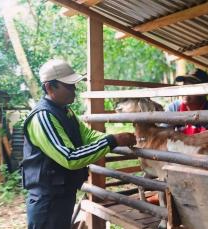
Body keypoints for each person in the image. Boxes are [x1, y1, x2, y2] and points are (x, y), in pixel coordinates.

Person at [22, 59, 136, 229]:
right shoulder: (43, 117)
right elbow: (70, 158)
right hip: (48, 203)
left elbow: (88, 136)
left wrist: (115, 137)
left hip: (63, 196)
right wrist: (112, 141)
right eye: (68, 86)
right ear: (49, 87)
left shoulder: (65, 111)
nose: (74, 89)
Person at [167, 68, 208, 135]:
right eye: (185, 86)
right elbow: (162, 134)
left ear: (204, 92)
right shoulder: (174, 107)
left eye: (192, 87)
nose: (186, 91)